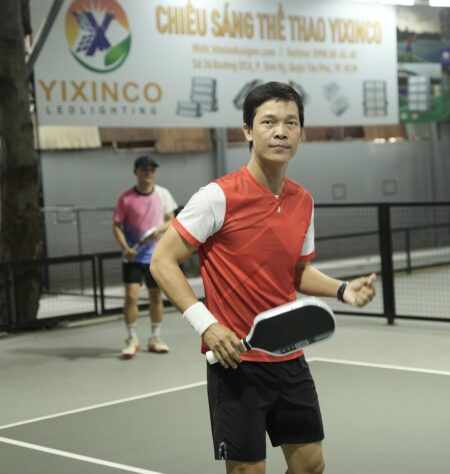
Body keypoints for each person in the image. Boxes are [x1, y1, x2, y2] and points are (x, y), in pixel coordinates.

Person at [150, 82, 377, 473]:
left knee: (310, 465)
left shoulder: (302, 200)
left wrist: (342, 290)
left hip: (289, 353)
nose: (280, 132)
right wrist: (207, 325)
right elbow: (162, 261)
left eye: (291, 123)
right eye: (269, 122)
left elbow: (298, 273)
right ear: (248, 131)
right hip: (235, 360)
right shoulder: (217, 197)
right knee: (248, 471)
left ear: (301, 133)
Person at [113, 155, 178, 359]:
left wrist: (159, 228)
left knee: (156, 296)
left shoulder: (163, 194)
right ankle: (132, 339)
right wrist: (126, 248)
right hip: (132, 257)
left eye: (152, 169)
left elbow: (172, 220)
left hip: (155, 257)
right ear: (136, 172)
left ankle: (155, 338)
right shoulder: (125, 198)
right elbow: (116, 226)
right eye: (144, 169)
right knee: (131, 297)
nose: (148, 173)